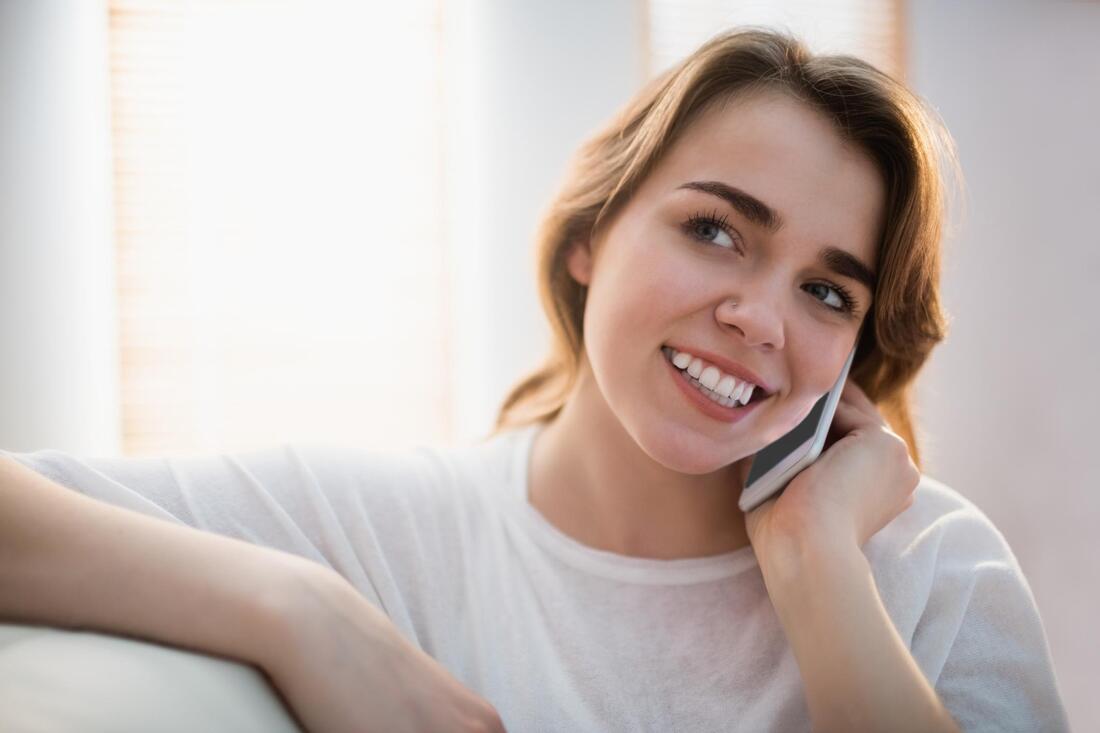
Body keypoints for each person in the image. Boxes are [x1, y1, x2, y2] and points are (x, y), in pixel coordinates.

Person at [0, 26, 1070, 733]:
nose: (758, 319)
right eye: (714, 230)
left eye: (827, 293)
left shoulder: (936, 571)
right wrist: (296, 605)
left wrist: (811, 562)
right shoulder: (386, 530)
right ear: (589, 239)